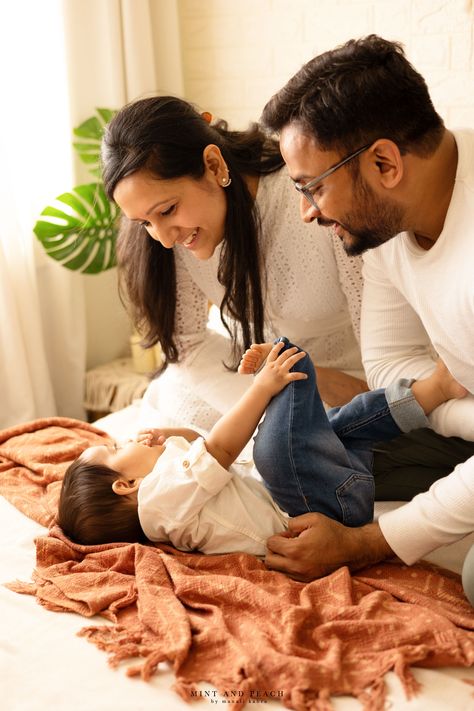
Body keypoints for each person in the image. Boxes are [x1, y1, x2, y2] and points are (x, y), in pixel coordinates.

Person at [260, 34, 474, 603]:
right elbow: (385, 363)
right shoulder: (387, 225)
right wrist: (458, 414)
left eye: (313, 187)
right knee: (312, 457)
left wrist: (366, 542)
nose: (307, 212)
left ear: (384, 162)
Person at [101, 95, 367, 440]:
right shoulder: (173, 239)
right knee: (162, 435)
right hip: (251, 378)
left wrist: (301, 380)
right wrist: (260, 397)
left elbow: (382, 351)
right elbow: (187, 345)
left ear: (214, 165)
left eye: (167, 210)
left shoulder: (309, 198)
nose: (164, 240)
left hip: (345, 384)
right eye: (144, 223)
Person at [57, 338, 464, 554]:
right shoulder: (158, 506)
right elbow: (218, 450)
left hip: (324, 492)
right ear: (125, 485)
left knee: (343, 422)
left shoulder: (172, 498)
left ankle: (432, 390)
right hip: (313, 511)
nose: (127, 438)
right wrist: (261, 390)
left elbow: (202, 447)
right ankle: (290, 368)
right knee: (271, 448)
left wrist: (172, 436)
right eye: (115, 449)